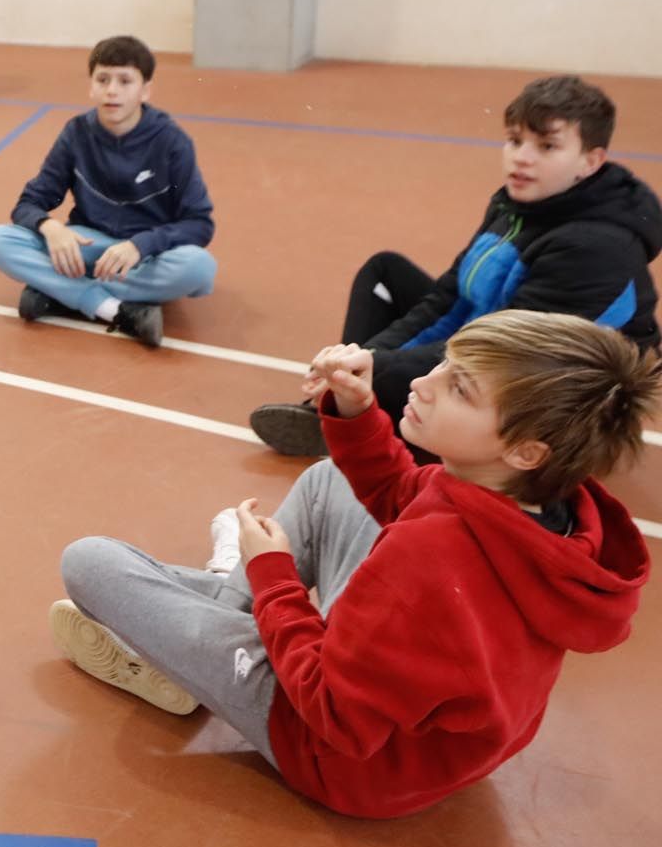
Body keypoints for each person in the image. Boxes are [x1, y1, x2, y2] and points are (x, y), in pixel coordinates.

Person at [52, 310, 653, 819]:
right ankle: (204, 632)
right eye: (445, 363)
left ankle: (198, 642)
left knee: (91, 562)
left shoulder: (428, 558)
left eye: (460, 389)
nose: (423, 381)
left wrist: (272, 575)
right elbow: (403, 495)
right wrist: (357, 408)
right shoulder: (544, 506)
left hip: (340, 760)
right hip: (428, 746)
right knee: (326, 478)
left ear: (525, 450)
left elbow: (334, 716)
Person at [250, 75, 660, 457]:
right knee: (384, 273)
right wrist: (361, 361)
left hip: (566, 390)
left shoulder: (595, 246)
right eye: (515, 140)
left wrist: (379, 369)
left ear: (591, 161)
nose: (522, 158)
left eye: (546, 146)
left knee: (438, 422)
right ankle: (356, 408)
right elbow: (448, 301)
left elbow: (505, 355)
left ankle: (368, 424)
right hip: (502, 338)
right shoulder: (515, 203)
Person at [0, 36, 216, 348]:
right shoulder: (76, 133)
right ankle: (115, 309)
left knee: (199, 268)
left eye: (125, 81)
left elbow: (199, 224)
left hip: (142, 258)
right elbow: (30, 202)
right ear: (91, 86)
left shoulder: (172, 142)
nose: (112, 90)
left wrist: (140, 245)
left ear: (145, 90)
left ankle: (60, 293)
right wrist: (49, 227)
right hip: (87, 247)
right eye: (103, 79)